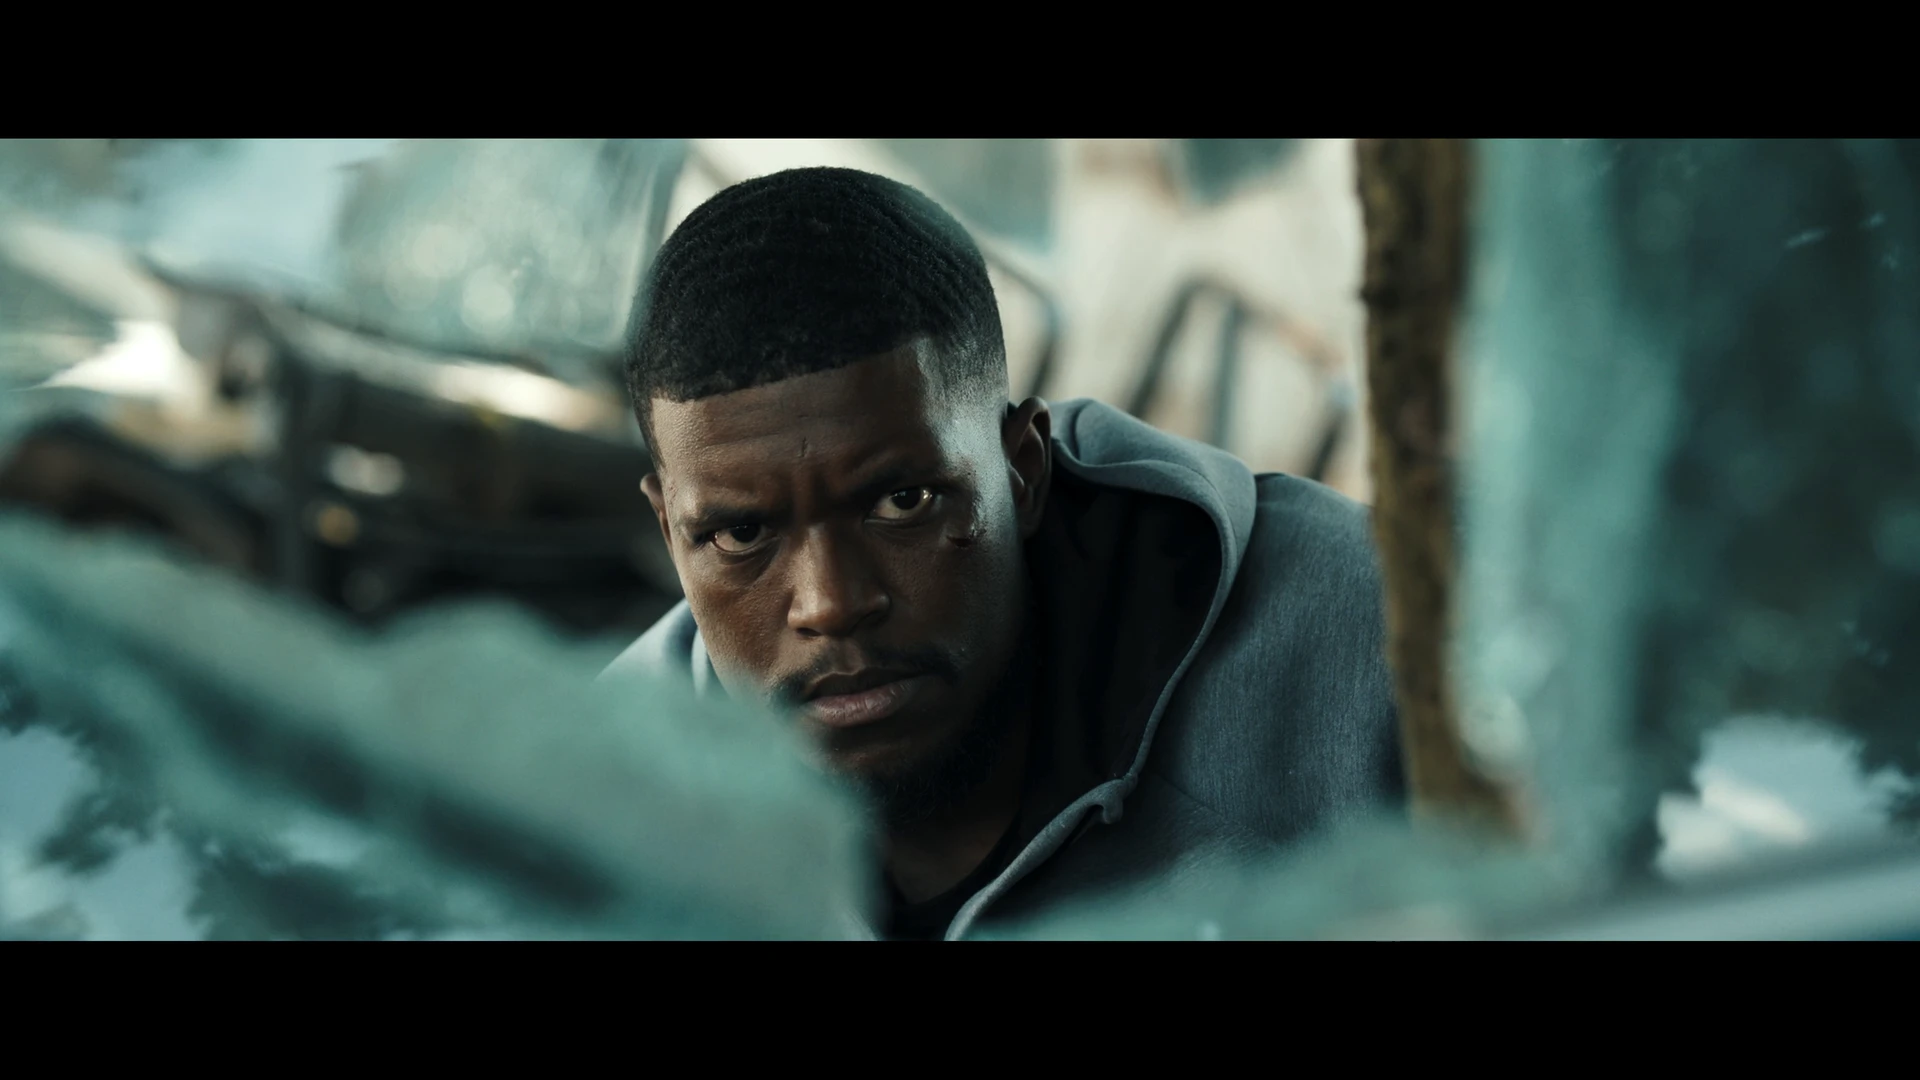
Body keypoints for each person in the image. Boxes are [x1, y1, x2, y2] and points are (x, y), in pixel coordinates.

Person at [604, 166, 1404, 940]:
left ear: (1023, 469)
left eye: (903, 503)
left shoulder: (1369, 647)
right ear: (670, 531)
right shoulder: (602, 810)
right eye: (742, 535)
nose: (832, 603)